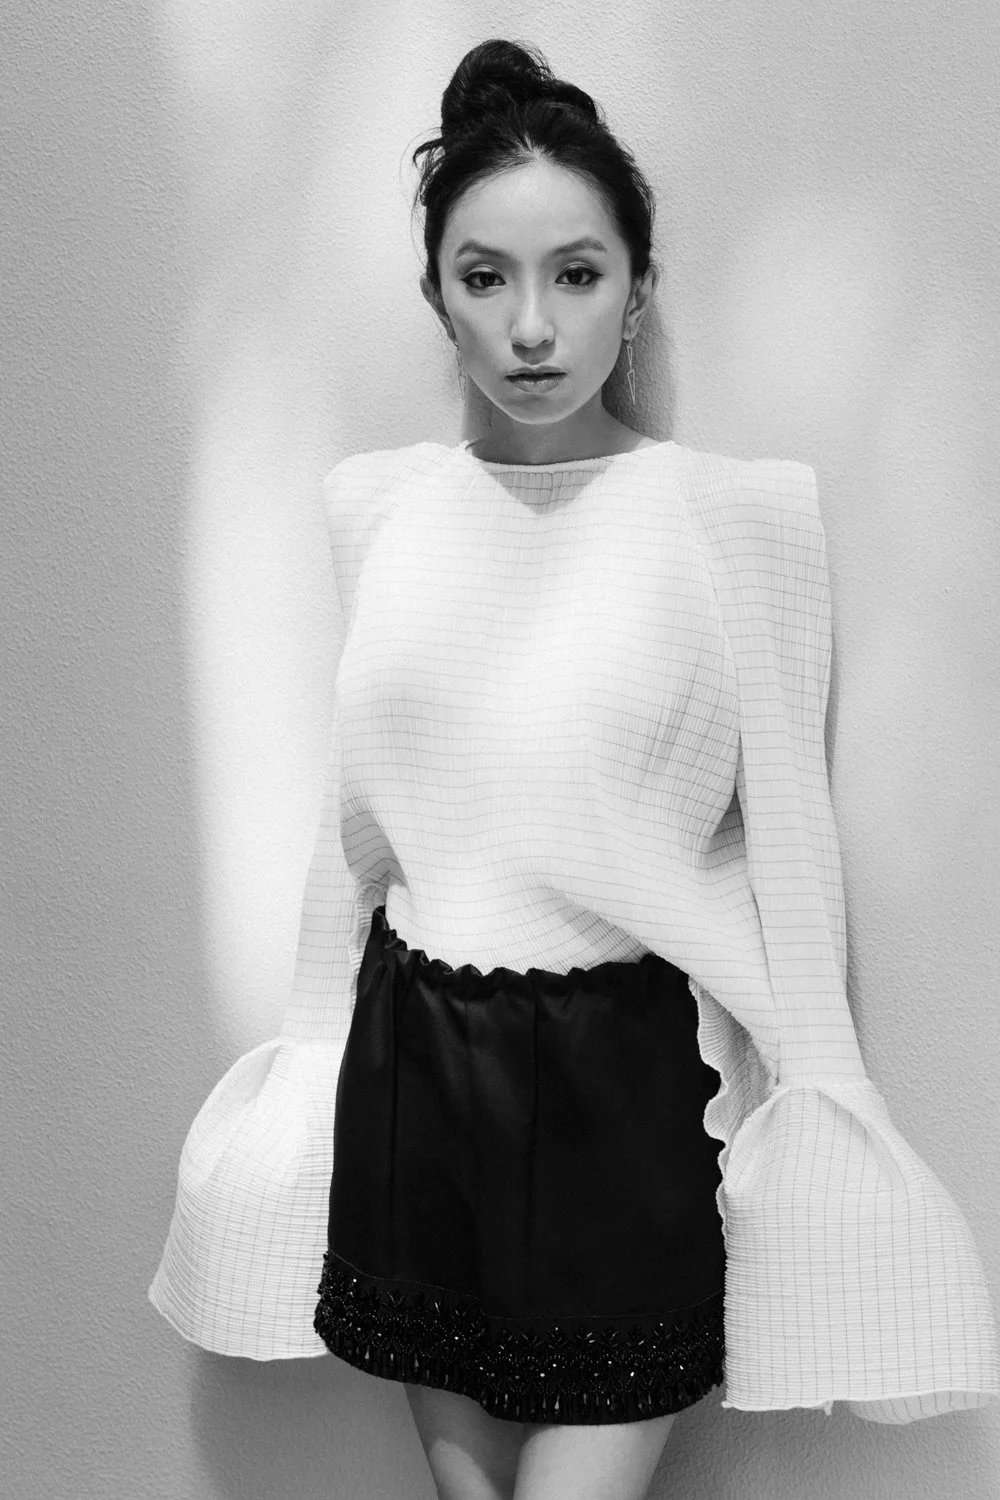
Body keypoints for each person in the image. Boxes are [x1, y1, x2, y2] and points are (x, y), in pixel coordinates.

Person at [148, 36, 998, 1500]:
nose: (533, 325)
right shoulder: (381, 511)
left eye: (578, 274)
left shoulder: (736, 522)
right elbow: (353, 833)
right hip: (415, 1079)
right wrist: (298, 1065)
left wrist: (828, 1106)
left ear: (638, 286)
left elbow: (791, 836)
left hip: (627, 1099)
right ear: (437, 299)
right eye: (486, 278)